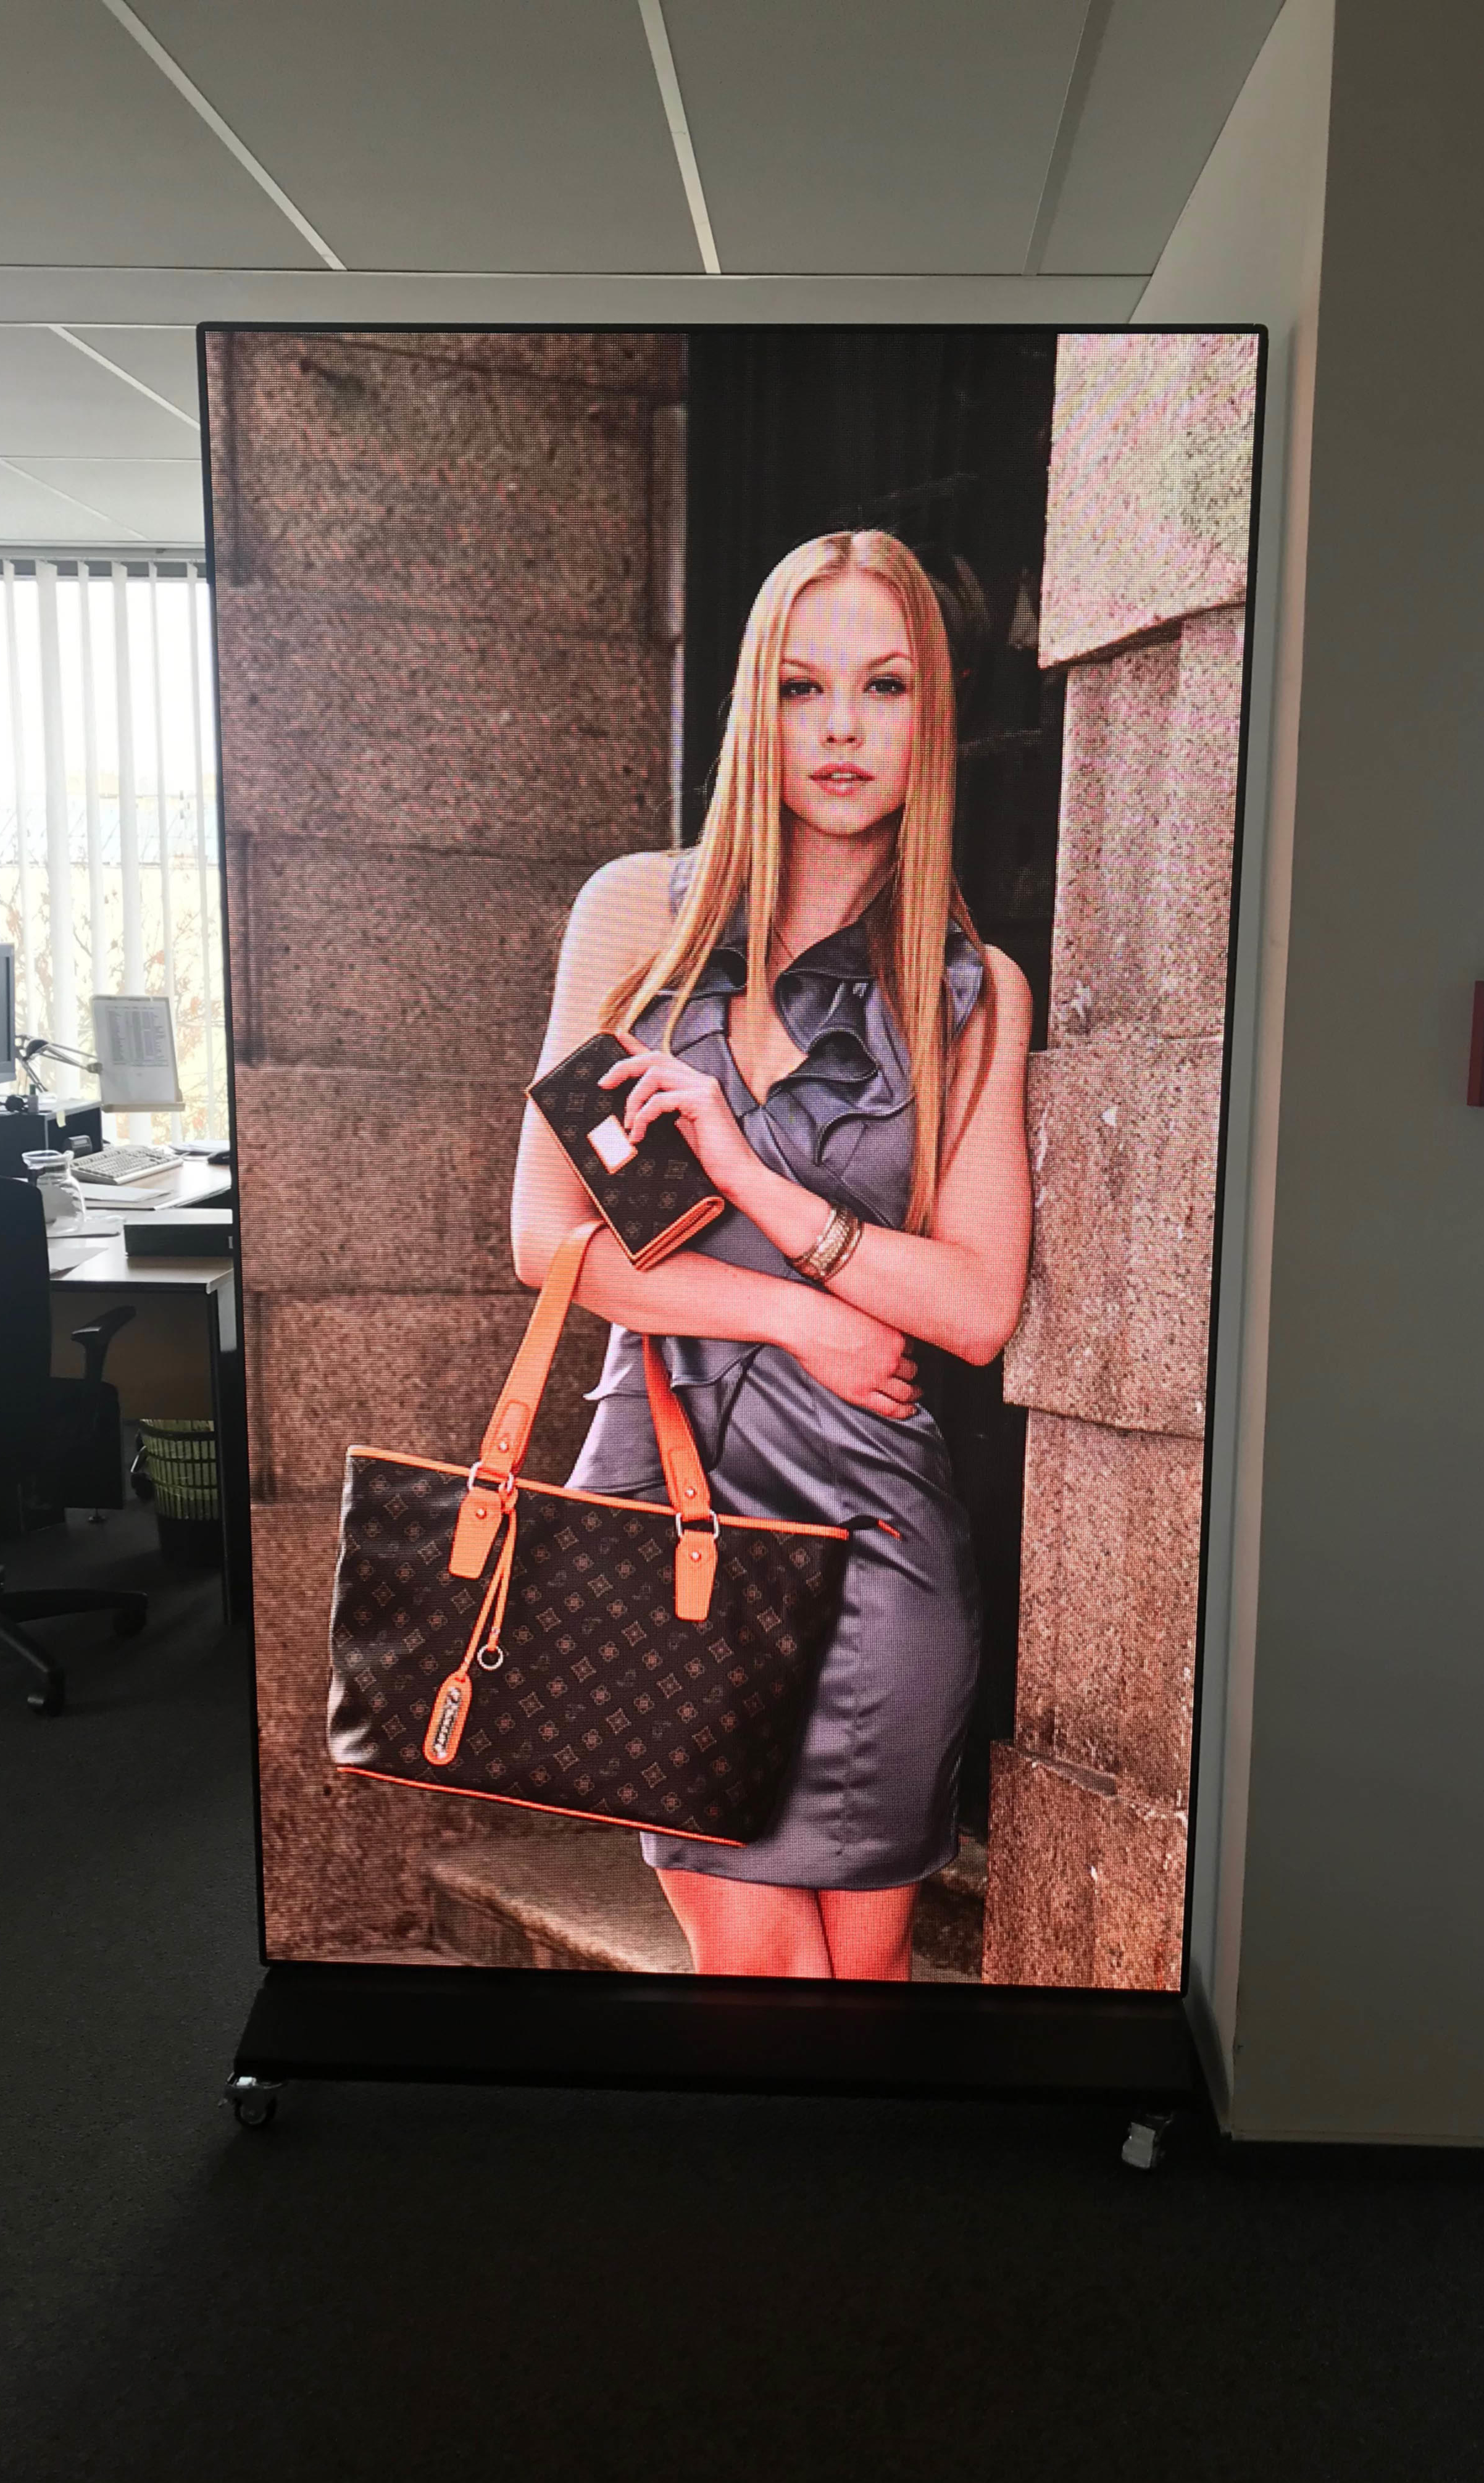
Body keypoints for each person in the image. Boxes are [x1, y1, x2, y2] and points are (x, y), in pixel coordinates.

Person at [511, 527, 1032, 1981]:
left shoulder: (973, 988)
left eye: (885, 686)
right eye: (805, 688)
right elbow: (548, 1239)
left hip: (873, 1526)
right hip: (664, 1480)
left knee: (858, 1986)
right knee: (757, 1974)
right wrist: (805, 1318)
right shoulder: (639, 913)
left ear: (934, 715)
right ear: (759, 708)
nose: (844, 729)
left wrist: (752, 1180)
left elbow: (976, 1308)